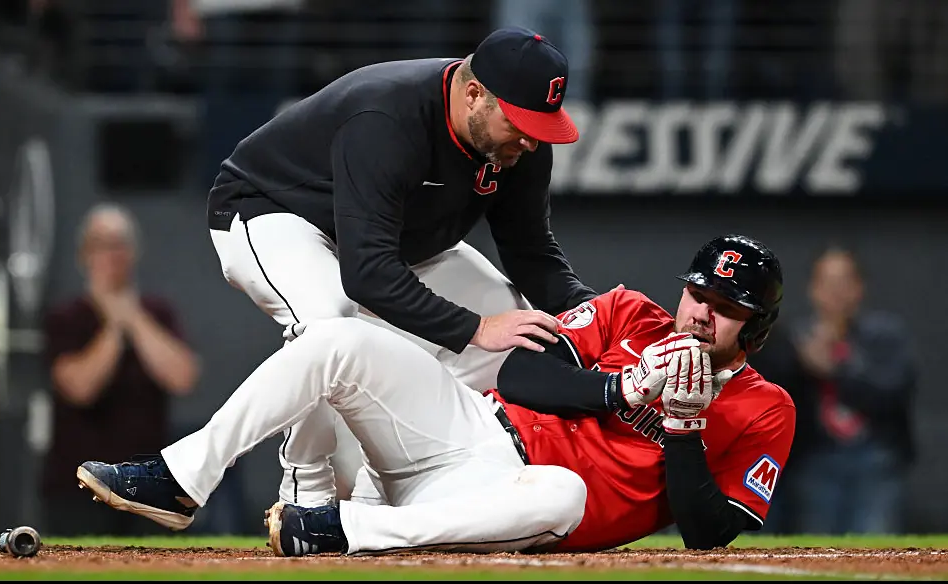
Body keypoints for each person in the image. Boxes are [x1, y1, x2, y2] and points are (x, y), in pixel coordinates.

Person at [75, 234, 794, 554]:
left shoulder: (765, 408)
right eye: (698, 293)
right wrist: (620, 386)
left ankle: (342, 528)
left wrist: (683, 426)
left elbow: (708, 532)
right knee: (336, 336)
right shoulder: (631, 313)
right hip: (467, 429)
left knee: (564, 492)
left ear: (755, 329)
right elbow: (519, 375)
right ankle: (181, 478)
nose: (702, 313)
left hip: (516, 500)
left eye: (725, 308)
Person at [201, 26, 595, 508]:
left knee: (516, 328)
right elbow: (367, 274)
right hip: (273, 213)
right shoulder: (388, 113)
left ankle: (383, 491)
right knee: (330, 322)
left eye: (540, 126)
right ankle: (305, 489)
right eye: (519, 123)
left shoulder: (519, 139)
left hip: (391, 243)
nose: (531, 141)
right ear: (474, 95)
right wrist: (476, 327)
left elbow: (530, 250)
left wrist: (599, 311)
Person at [42, 203, 200, 536]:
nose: (112, 254)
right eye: (102, 244)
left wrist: (133, 317)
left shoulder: (157, 313)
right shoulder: (67, 317)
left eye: (120, 243)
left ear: (134, 251)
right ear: (85, 254)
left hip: (146, 487)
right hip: (77, 488)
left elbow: (183, 377)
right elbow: (80, 388)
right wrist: (115, 325)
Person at [751, 246, 915, 534]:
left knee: (876, 542)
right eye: (827, 283)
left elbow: (894, 393)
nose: (836, 292)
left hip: (875, 459)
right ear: (813, 289)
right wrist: (800, 364)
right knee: (819, 546)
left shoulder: (883, 337)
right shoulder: (793, 338)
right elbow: (770, 400)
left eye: (844, 282)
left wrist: (838, 370)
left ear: (859, 288)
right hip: (815, 460)